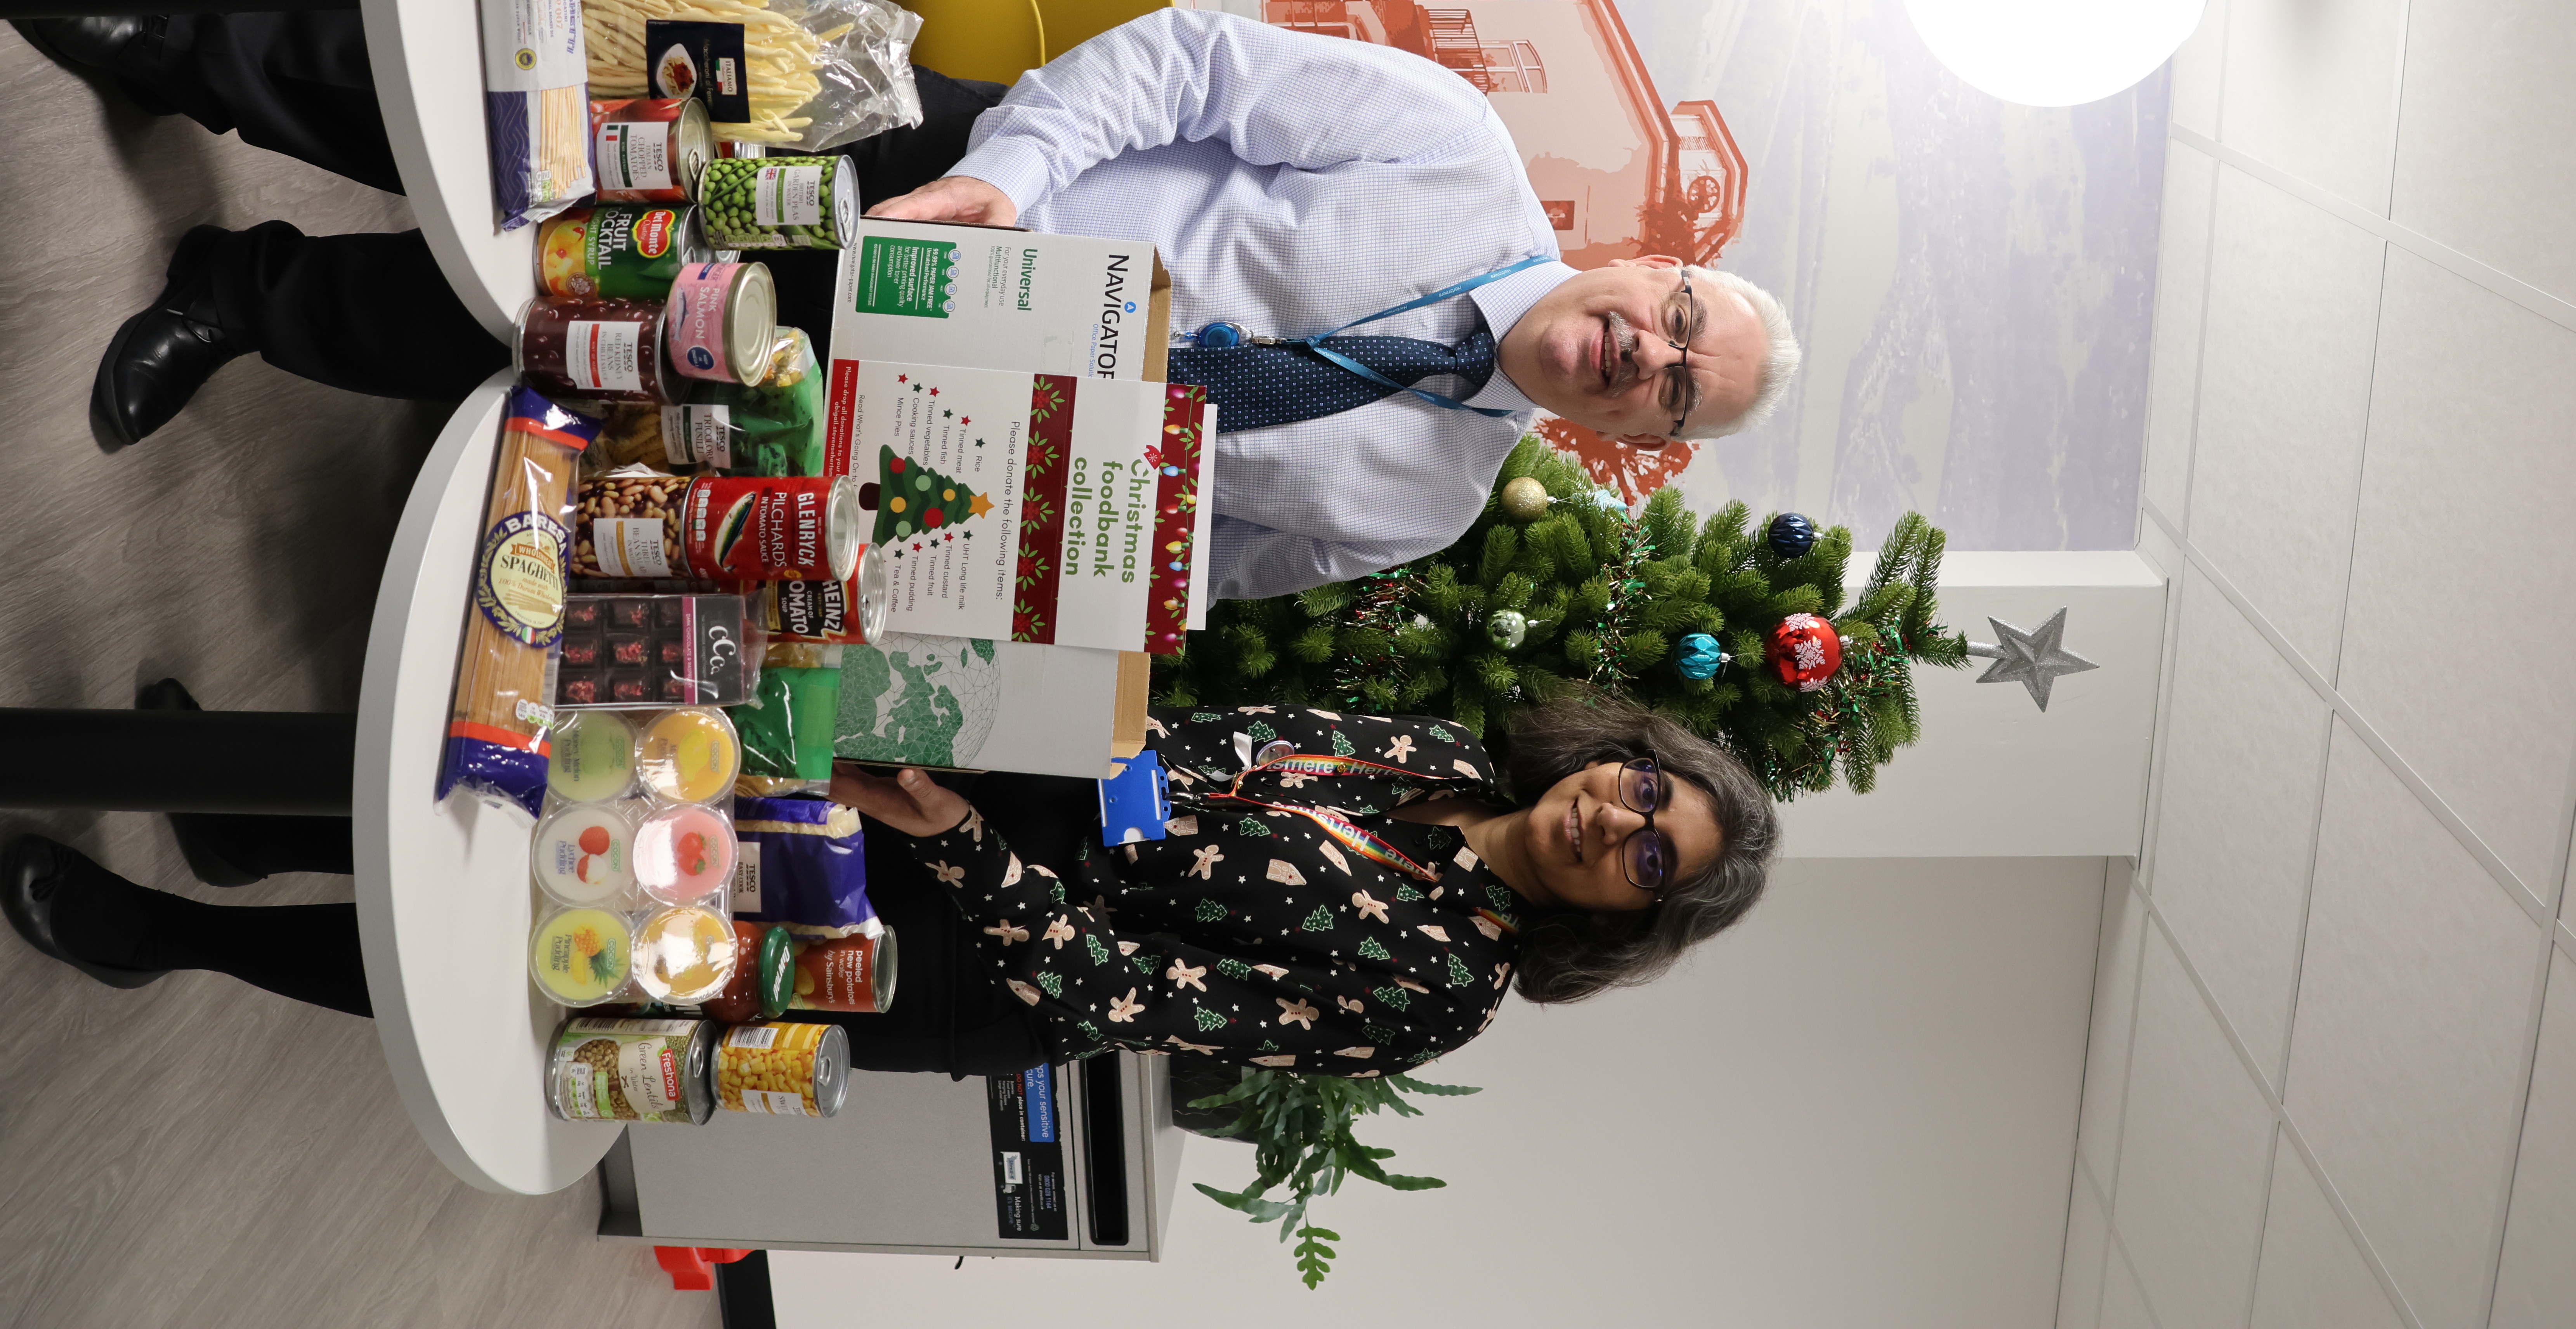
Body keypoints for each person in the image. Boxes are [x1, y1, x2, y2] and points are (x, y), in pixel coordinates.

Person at [17, 6, 1799, 599]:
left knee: (575, 331)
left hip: (927, 398)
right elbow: (1183, 66)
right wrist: (1002, 184)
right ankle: (197, 55)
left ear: (1637, 442)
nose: (1646, 352)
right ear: (1655, 257)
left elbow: (1181, 560)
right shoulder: (1453, 148)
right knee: (578, 136)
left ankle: (247, 300)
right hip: (953, 178)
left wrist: (1000, 532)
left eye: (1669, 392)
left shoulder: (1429, 510)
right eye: (1678, 314)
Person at [3, 695, 1780, 1078]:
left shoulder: (1439, 989)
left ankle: (173, 937)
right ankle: (263, 825)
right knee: (622, 807)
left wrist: (957, 842)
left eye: (1650, 858)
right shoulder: (1434, 758)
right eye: (1648, 789)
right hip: (995, 797)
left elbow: (1136, 998)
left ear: (1622, 918)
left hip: (980, 951)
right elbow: (1183, 730)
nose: (1618, 821)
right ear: (1619, 751)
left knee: (618, 952)